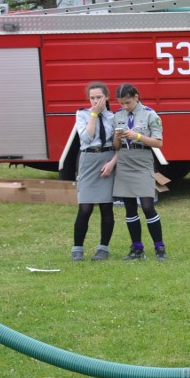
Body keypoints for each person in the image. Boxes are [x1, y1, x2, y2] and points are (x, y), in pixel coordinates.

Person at [111, 83, 167, 262]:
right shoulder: (117, 116)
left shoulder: (150, 115)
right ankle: (137, 248)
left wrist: (137, 137)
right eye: (121, 104)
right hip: (125, 161)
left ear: (136, 96)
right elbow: (116, 147)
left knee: (147, 206)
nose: (124, 107)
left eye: (127, 102)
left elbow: (158, 143)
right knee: (129, 208)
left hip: (142, 161)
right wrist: (117, 138)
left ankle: (160, 247)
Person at [71, 82, 116, 262]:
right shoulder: (82, 114)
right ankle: (77, 248)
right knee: (85, 207)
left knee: (106, 207)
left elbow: (119, 145)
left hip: (107, 159)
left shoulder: (114, 117)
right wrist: (94, 114)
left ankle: (103, 248)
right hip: (88, 160)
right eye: (92, 98)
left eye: (99, 97)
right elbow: (86, 137)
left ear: (107, 97)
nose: (96, 101)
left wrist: (113, 163)